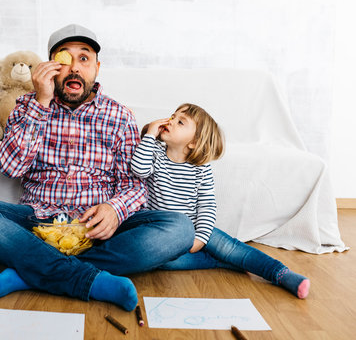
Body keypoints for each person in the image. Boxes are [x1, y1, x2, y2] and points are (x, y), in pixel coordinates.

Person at [0, 24, 195, 312]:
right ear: (50, 66)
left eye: (84, 58)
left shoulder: (119, 116)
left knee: (180, 228)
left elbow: (134, 185)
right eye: (65, 58)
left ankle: (34, 272)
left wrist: (115, 210)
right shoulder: (26, 106)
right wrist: (41, 102)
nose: (75, 68)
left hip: (97, 229)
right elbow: (11, 167)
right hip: (37, 224)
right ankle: (87, 278)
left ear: (97, 68)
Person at [131, 103, 310, 299]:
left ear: (193, 142)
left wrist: (201, 237)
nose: (171, 121)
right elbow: (138, 169)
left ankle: (280, 273)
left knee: (230, 247)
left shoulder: (201, 168)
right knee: (162, 260)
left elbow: (207, 204)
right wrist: (149, 134)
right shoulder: (154, 152)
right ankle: (218, 261)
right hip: (164, 233)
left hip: (194, 227)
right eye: (172, 116)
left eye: (180, 122)